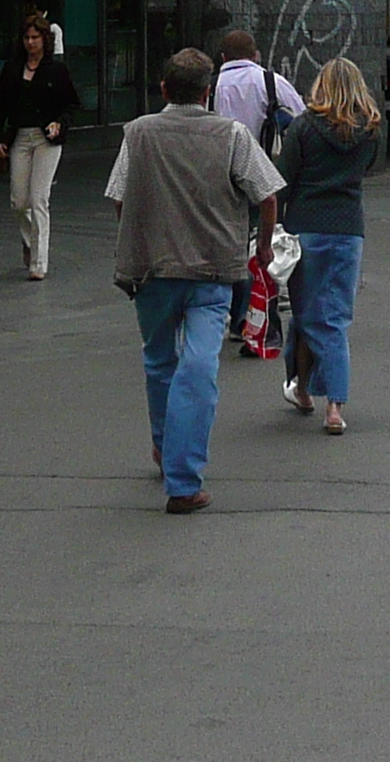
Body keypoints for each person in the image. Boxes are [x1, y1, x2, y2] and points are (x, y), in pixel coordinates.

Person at [105, 48, 285, 514]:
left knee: (159, 361)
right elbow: (266, 194)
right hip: (211, 269)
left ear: (163, 89)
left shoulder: (138, 133)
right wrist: (263, 247)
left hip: (152, 269)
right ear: (208, 94)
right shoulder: (232, 135)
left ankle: (166, 449)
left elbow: (119, 197)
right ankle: (183, 480)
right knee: (199, 368)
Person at [275, 57, 383, 436]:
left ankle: (314, 394)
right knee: (334, 314)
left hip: (306, 228)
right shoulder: (370, 130)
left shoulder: (303, 127)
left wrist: (271, 225)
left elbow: (283, 180)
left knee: (307, 316)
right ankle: (323, 399)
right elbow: (366, 170)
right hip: (349, 229)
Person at [211, 30, 306, 348]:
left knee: (234, 244)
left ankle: (239, 316)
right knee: (263, 242)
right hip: (265, 171)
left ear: (223, 57)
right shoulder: (271, 81)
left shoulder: (212, 87)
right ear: (255, 55)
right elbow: (301, 118)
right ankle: (261, 313)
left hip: (221, 175)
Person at [0, 16, 82, 280]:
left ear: (45, 40)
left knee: (39, 198)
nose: (31, 43)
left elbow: (72, 105)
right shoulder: (12, 69)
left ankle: (39, 263)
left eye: (35, 38)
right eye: (27, 38)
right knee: (19, 201)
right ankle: (30, 241)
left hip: (46, 140)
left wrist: (59, 124)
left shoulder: (57, 70)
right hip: (20, 137)